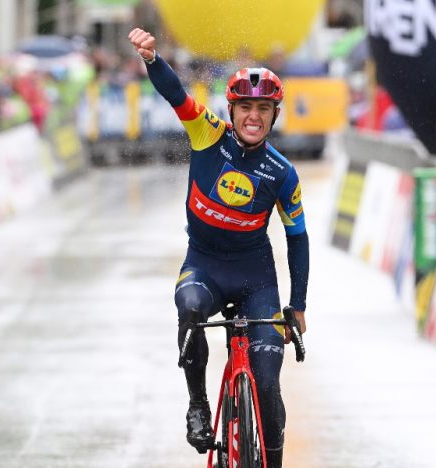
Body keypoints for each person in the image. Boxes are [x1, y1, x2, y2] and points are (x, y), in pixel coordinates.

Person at [128, 28, 309, 468]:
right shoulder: (208, 133)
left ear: (274, 115)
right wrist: (152, 59)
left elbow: (297, 239)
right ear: (231, 110)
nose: (253, 116)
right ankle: (198, 405)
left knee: (268, 383)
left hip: (256, 280)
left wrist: (298, 305)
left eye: (263, 109)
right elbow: (176, 94)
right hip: (205, 267)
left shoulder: (283, 173)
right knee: (190, 308)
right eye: (245, 107)